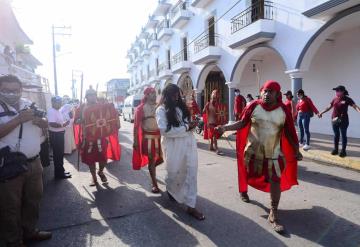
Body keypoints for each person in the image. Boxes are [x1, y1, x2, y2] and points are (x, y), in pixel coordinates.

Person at [216, 80, 302, 233]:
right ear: (261, 92)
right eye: (265, 91)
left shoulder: (283, 110)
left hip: (274, 154)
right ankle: (244, 190)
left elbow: (289, 132)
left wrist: (296, 149)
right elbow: (242, 123)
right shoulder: (253, 105)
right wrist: (224, 127)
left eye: (271, 91)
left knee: (275, 179)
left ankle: (273, 212)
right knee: (249, 175)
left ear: (277, 94)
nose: (267, 94)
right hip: (253, 154)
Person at [0, 75, 51, 246]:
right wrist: (18, 120)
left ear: (20, 90)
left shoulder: (28, 103)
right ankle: (13, 241)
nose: (11, 94)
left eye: (14, 90)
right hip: (9, 166)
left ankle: (30, 231)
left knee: (34, 200)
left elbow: (46, 123)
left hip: (34, 162)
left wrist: (42, 122)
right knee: (10, 206)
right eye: (6, 90)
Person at [156, 84, 205, 221]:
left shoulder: (181, 108)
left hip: (188, 144)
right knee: (174, 173)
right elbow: (164, 131)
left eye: (177, 94)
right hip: (173, 147)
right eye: (173, 95)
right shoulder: (161, 110)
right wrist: (186, 127)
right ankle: (171, 189)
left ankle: (191, 206)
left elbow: (185, 124)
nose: (176, 97)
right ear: (167, 95)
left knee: (191, 173)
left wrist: (193, 124)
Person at [74, 87, 121, 186]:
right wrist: (82, 120)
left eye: (94, 95)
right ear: (86, 97)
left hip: (101, 136)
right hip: (88, 137)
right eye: (90, 95)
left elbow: (111, 115)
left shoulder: (101, 106)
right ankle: (94, 177)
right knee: (91, 158)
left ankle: (100, 171)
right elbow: (75, 121)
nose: (92, 97)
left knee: (103, 157)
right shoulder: (82, 107)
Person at [133, 87, 163, 193]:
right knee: (151, 160)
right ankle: (154, 183)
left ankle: (152, 174)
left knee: (158, 159)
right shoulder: (141, 108)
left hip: (159, 138)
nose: (154, 95)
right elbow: (136, 126)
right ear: (146, 95)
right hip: (148, 139)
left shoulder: (159, 107)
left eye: (155, 93)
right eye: (151, 93)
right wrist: (135, 141)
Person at [319, 85, 360, 157]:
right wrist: (321, 112)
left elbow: (355, 106)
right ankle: (336, 149)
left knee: (343, 135)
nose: (336, 92)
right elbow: (329, 107)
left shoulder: (347, 99)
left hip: (343, 120)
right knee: (336, 135)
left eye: (338, 90)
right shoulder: (334, 99)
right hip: (334, 119)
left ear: (343, 91)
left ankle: (343, 151)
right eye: (336, 91)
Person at [47, 96, 72, 179]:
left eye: (60, 102)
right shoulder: (52, 111)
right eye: (58, 102)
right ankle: (59, 174)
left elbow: (58, 122)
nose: (60, 104)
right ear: (53, 103)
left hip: (59, 135)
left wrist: (64, 122)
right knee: (58, 155)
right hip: (56, 136)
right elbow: (52, 123)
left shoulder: (57, 111)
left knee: (60, 155)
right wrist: (63, 125)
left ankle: (61, 171)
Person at [203, 89, 227, 155]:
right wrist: (206, 121)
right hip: (210, 122)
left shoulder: (217, 105)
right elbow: (204, 111)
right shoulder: (208, 104)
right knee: (214, 135)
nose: (215, 99)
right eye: (214, 98)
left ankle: (211, 147)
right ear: (211, 97)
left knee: (213, 135)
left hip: (216, 122)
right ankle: (216, 148)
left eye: (216, 98)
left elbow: (220, 113)